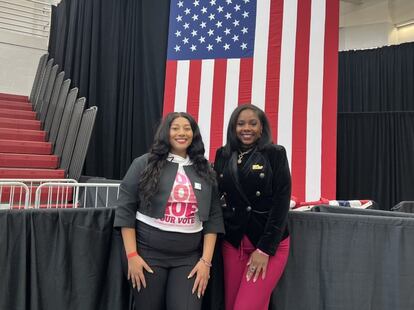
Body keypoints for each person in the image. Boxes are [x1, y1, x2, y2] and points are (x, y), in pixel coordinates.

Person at [114, 112, 224, 310]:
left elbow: (214, 218)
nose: (181, 133)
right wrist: (132, 256)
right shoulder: (144, 163)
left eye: (187, 128)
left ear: (194, 134)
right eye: (175, 128)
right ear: (166, 132)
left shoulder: (205, 169)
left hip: (188, 258)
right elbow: (125, 210)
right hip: (146, 255)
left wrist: (206, 263)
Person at [213, 104, 291, 310]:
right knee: (231, 306)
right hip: (233, 243)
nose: (246, 128)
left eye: (252, 123)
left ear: (262, 128)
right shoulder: (222, 154)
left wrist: (264, 249)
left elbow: (281, 204)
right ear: (233, 128)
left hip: (267, 243)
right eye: (240, 124)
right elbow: (216, 194)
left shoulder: (275, 154)